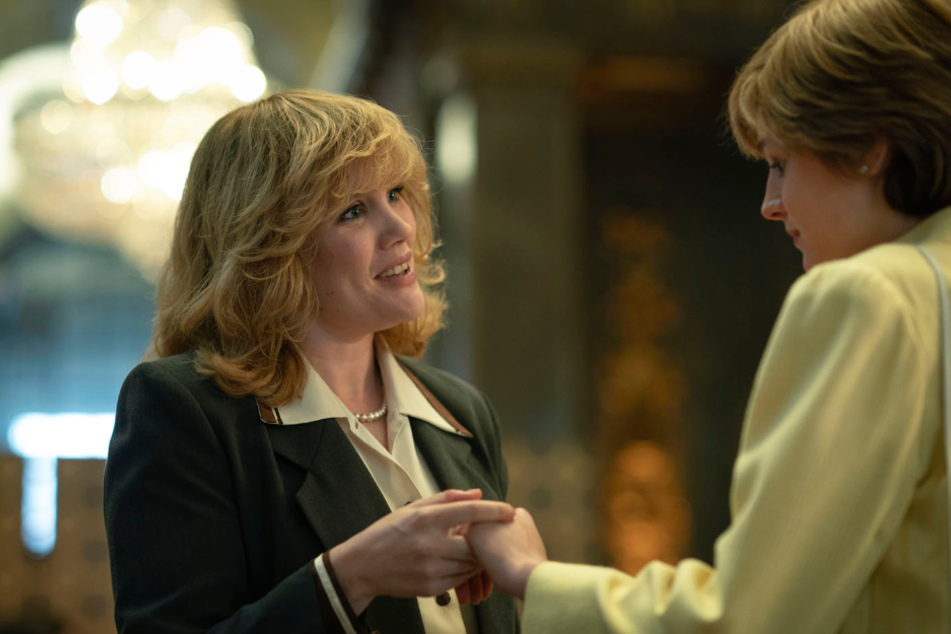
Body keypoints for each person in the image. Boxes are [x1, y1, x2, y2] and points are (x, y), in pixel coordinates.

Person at [466, 0, 951, 631]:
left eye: (781, 163)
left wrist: (536, 578)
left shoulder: (870, 295)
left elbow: (749, 618)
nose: (771, 204)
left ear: (868, 150)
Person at [104, 90, 520, 634]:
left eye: (396, 193)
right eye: (353, 211)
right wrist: (349, 577)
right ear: (270, 252)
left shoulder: (462, 411)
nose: (401, 229)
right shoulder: (182, 410)